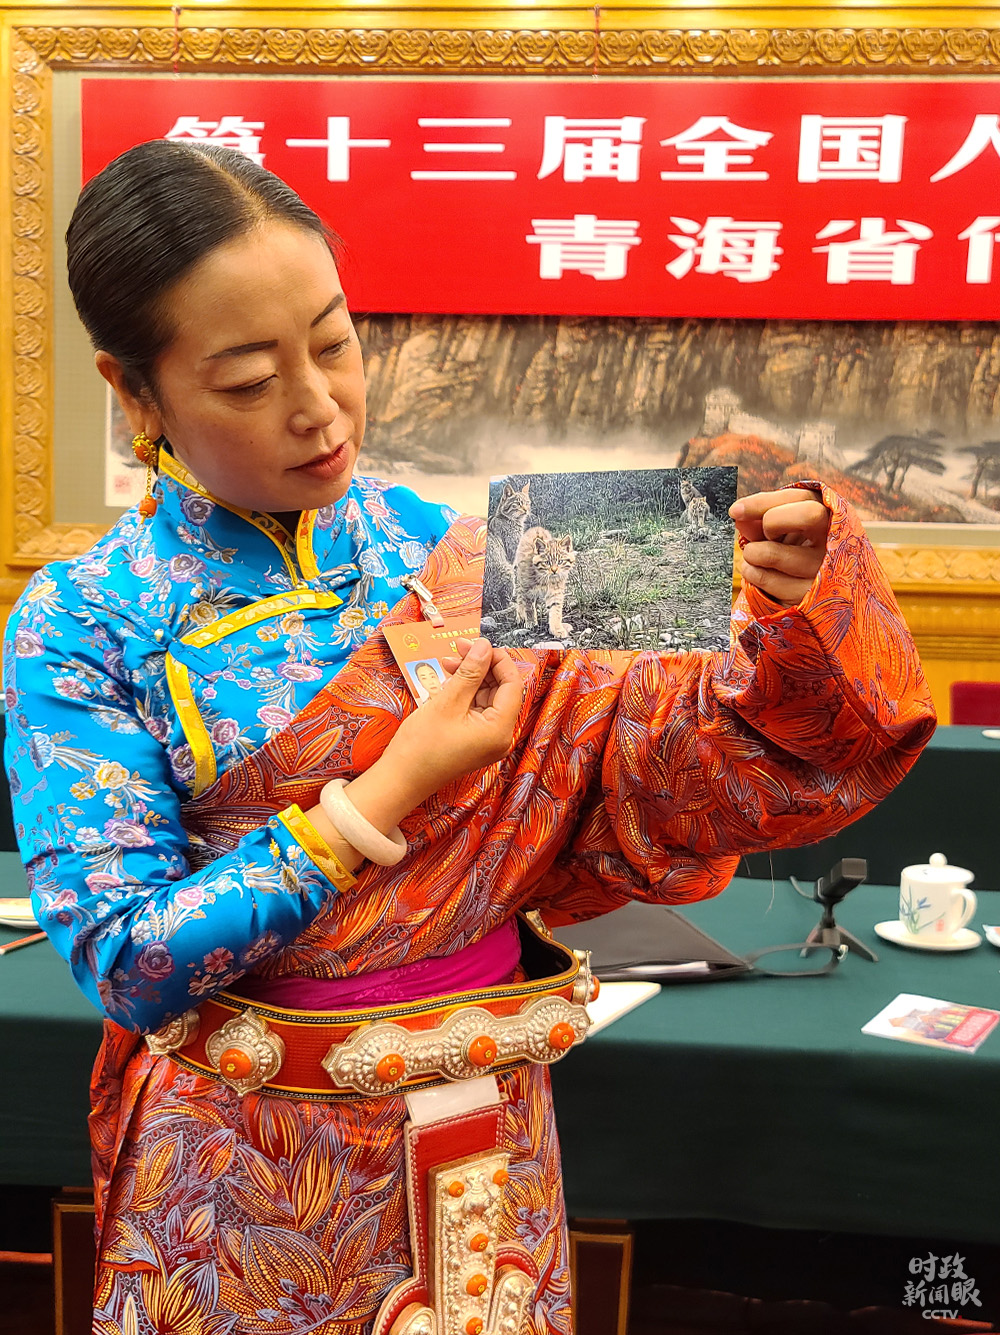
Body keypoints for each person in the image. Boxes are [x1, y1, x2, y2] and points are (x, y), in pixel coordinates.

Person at [3, 140, 935, 1335]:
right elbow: (126, 958)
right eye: (246, 380)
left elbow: (707, 767)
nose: (317, 405)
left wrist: (793, 598)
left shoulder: (489, 542)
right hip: (246, 1171)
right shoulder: (85, 618)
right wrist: (379, 796)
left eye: (334, 343)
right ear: (134, 392)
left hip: (489, 1141)